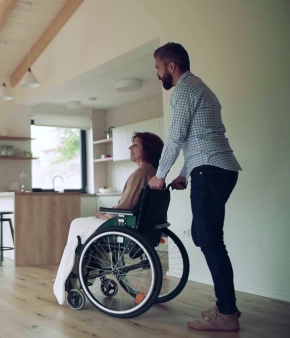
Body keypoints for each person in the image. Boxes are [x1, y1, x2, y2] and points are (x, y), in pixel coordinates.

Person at [148, 42, 242, 332]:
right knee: (204, 236)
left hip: (210, 171)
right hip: (216, 168)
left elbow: (176, 136)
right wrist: (184, 174)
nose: (157, 74)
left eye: (157, 68)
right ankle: (226, 306)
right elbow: (198, 137)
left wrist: (160, 175)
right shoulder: (199, 87)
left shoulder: (184, 90)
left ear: (171, 67)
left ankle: (226, 313)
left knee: (210, 240)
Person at [53, 132, 164, 305]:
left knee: (78, 225)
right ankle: (86, 272)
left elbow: (126, 207)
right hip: (140, 227)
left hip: (125, 225)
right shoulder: (153, 172)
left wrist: (108, 214)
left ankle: (69, 276)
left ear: (148, 149)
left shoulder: (140, 173)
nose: (130, 147)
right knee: (88, 229)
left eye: (135, 143)